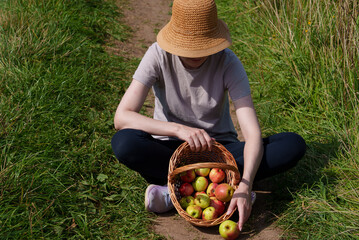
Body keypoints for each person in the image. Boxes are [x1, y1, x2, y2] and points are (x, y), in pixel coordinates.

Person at [111, 0, 306, 231]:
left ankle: (179, 189)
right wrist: (178, 129)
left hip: (219, 153)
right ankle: (200, 187)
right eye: (189, 45)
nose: (195, 52)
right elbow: (122, 117)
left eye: (201, 45)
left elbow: (252, 134)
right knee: (124, 143)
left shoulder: (227, 62)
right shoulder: (158, 55)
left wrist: (245, 184)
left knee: (292, 144)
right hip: (171, 149)